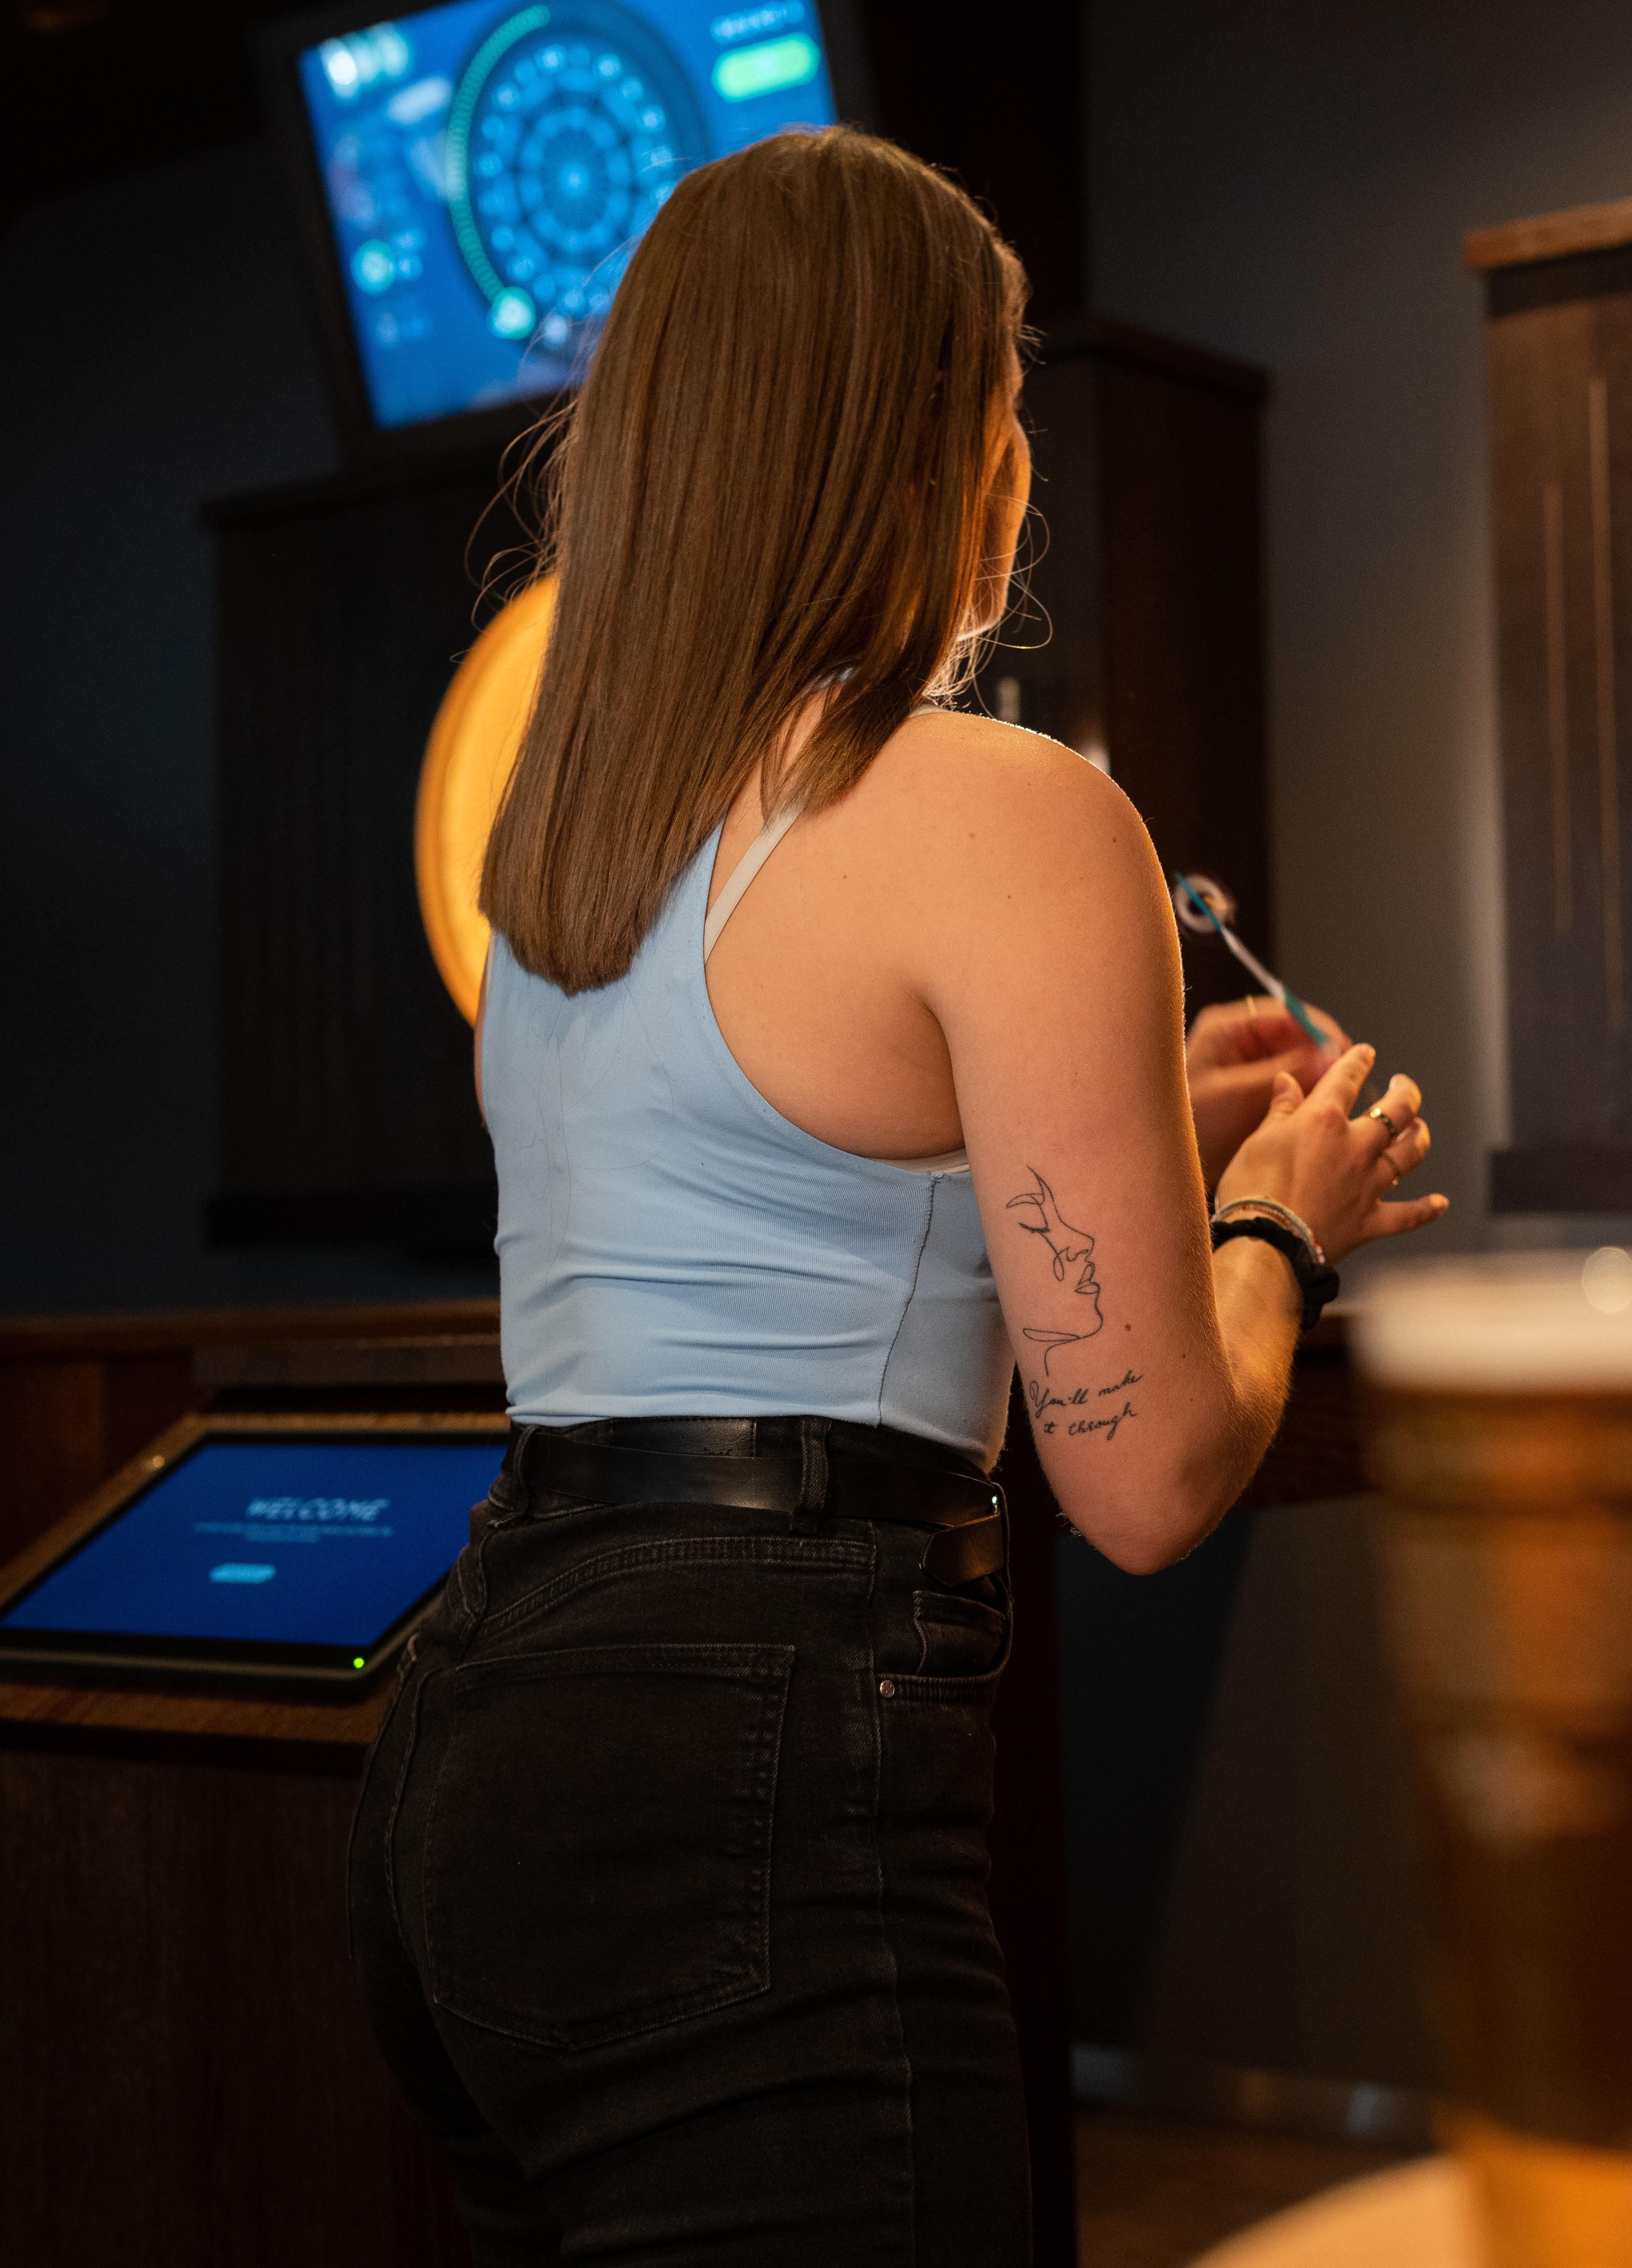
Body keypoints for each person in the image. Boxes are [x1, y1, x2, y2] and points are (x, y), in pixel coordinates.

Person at [344, 126, 1444, 2266]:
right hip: (749, 1758)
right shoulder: (1006, 811)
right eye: (1002, 396)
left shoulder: (569, 846)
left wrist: (1157, 1143)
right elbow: (1145, 1477)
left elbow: (789, 1200)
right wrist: (1280, 1223)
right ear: (961, 444)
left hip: (482, 1742)